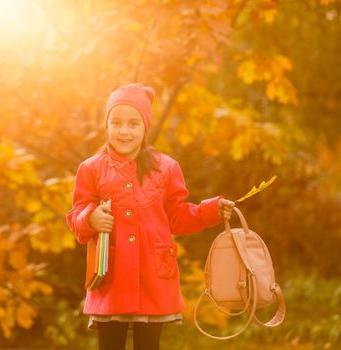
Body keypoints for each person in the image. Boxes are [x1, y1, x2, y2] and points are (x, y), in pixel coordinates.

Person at [66, 83, 235, 350]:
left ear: (145, 127)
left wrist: (210, 210)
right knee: (110, 344)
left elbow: (178, 217)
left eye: (133, 123)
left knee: (149, 345)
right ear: (106, 125)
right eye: (116, 122)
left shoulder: (166, 168)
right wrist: (90, 219)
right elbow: (77, 214)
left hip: (152, 275)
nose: (124, 131)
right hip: (111, 275)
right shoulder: (91, 169)